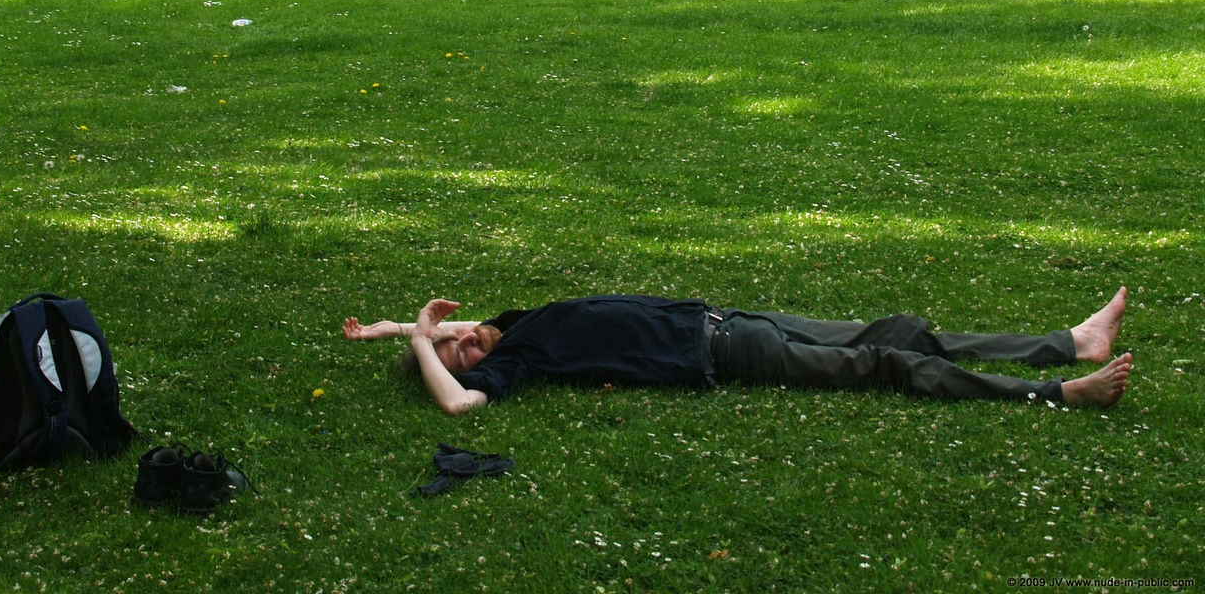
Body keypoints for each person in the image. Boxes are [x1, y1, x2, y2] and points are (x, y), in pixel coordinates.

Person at [342, 287, 1132, 416]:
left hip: (731, 319)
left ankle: (1068, 343)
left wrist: (398, 329)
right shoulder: (521, 362)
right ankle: (1055, 393)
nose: (464, 345)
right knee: (889, 366)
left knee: (900, 330)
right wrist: (424, 349)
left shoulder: (511, 326)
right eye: (456, 352)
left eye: (455, 338)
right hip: (731, 356)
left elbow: (453, 334)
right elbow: (460, 402)